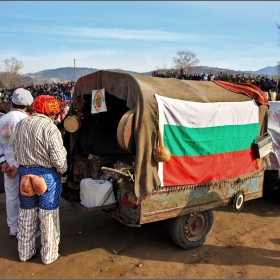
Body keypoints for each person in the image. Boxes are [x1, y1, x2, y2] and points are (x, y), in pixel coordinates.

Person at [13, 95, 67, 264]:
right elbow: (59, 159)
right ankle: (49, 255)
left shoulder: (21, 124)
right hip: (45, 177)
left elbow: (15, 150)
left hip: (24, 175)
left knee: (26, 215)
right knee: (48, 217)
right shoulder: (50, 128)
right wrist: (63, 170)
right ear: (51, 112)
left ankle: (24, 253)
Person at [0, 88, 34, 237]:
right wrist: (16, 165)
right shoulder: (25, 120)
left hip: (7, 165)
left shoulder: (2, 119)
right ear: (27, 105)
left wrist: (3, 162)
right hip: (22, 165)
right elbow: (26, 145)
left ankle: (13, 228)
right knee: (26, 197)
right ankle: (24, 230)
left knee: (11, 197)